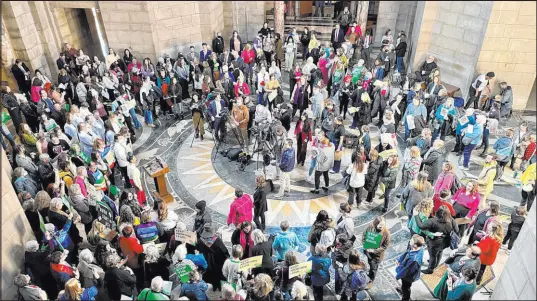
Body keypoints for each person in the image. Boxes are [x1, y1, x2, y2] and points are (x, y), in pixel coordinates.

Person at [416, 205, 458, 274]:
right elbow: (457, 230)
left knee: (433, 256)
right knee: (440, 252)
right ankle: (436, 264)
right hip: (446, 241)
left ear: (437, 212)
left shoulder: (433, 221)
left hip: (434, 242)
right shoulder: (451, 220)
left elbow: (421, 226)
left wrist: (416, 215)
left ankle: (430, 269)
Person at [196, 223, 229, 291]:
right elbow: (225, 252)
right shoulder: (217, 240)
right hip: (217, 265)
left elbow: (198, 249)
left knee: (208, 279)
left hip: (206, 264)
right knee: (218, 278)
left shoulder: (200, 240)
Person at [362, 216, 390, 287]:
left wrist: (374, 250)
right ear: (375, 224)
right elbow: (364, 236)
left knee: (374, 269)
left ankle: (371, 281)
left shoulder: (386, 233)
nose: (382, 226)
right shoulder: (370, 226)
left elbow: (385, 246)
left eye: (383, 225)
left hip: (377, 256)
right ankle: (370, 274)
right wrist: (365, 245)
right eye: (380, 225)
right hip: (368, 252)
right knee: (370, 264)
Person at [395, 234, 425, 301]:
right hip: (408, 270)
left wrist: (398, 270)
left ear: (415, 245)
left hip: (408, 276)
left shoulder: (414, 260)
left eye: (411, 241)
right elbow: (407, 252)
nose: (410, 241)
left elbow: (406, 271)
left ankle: (405, 298)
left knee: (406, 287)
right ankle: (402, 289)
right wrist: (399, 259)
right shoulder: (419, 247)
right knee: (404, 285)